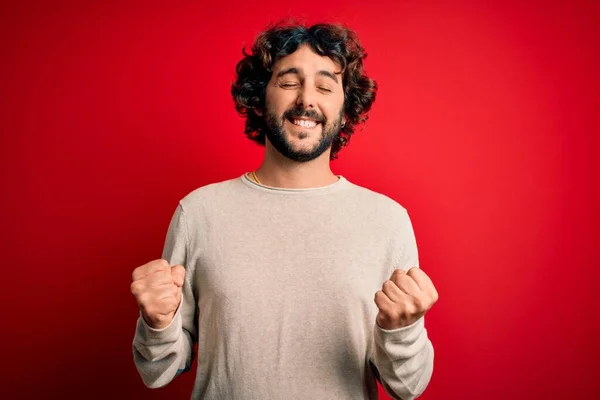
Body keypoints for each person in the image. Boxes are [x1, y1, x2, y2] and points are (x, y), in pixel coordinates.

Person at [130, 20, 438, 400]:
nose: (307, 100)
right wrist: (157, 324)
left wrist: (402, 331)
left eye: (325, 86)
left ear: (344, 112)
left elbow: (407, 386)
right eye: (289, 82)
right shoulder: (199, 213)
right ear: (259, 99)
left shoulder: (387, 221)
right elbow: (157, 371)